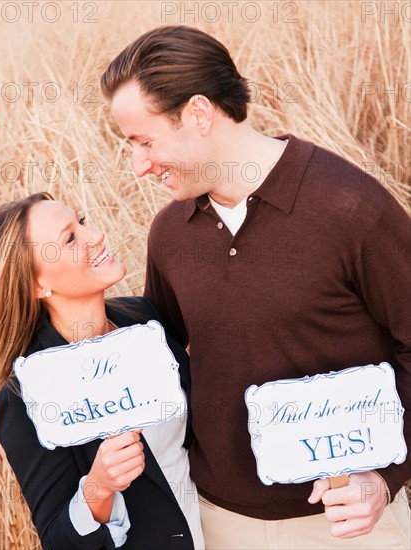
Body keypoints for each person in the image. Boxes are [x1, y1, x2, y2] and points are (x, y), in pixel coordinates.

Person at [100, 25, 411, 549]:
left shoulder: (351, 208)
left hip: (347, 525)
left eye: (145, 142)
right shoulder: (170, 235)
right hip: (215, 521)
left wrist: (385, 478)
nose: (138, 167)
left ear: (199, 114)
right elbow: (165, 368)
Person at [0, 192, 205, 550]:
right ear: (37, 284)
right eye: (70, 238)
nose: (95, 235)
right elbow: (58, 540)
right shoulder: (25, 396)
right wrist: (99, 486)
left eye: (81, 222)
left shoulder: (143, 318)